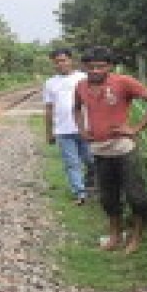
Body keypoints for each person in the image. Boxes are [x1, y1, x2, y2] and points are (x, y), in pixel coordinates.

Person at [73, 46, 147, 254]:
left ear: (110, 67)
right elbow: (76, 108)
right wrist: (81, 129)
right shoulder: (80, 86)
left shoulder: (123, 82)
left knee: (136, 196)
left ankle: (136, 237)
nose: (95, 71)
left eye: (101, 67)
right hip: (99, 150)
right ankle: (115, 235)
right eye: (90, 67)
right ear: (84, 67)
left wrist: (136, 128)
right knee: (107, 197)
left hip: (124, 149)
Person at [44, 47, 93, 204]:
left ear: (71, 60)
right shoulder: (50, 83)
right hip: (63, 130)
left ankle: (92, 185)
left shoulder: (84, 78)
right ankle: (80, 193)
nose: (60, 64)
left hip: (85, 127)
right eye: (57, 62)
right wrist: (49, 132)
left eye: (63, 60)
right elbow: (49, 108)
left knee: (91, 160)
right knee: (72, 163)